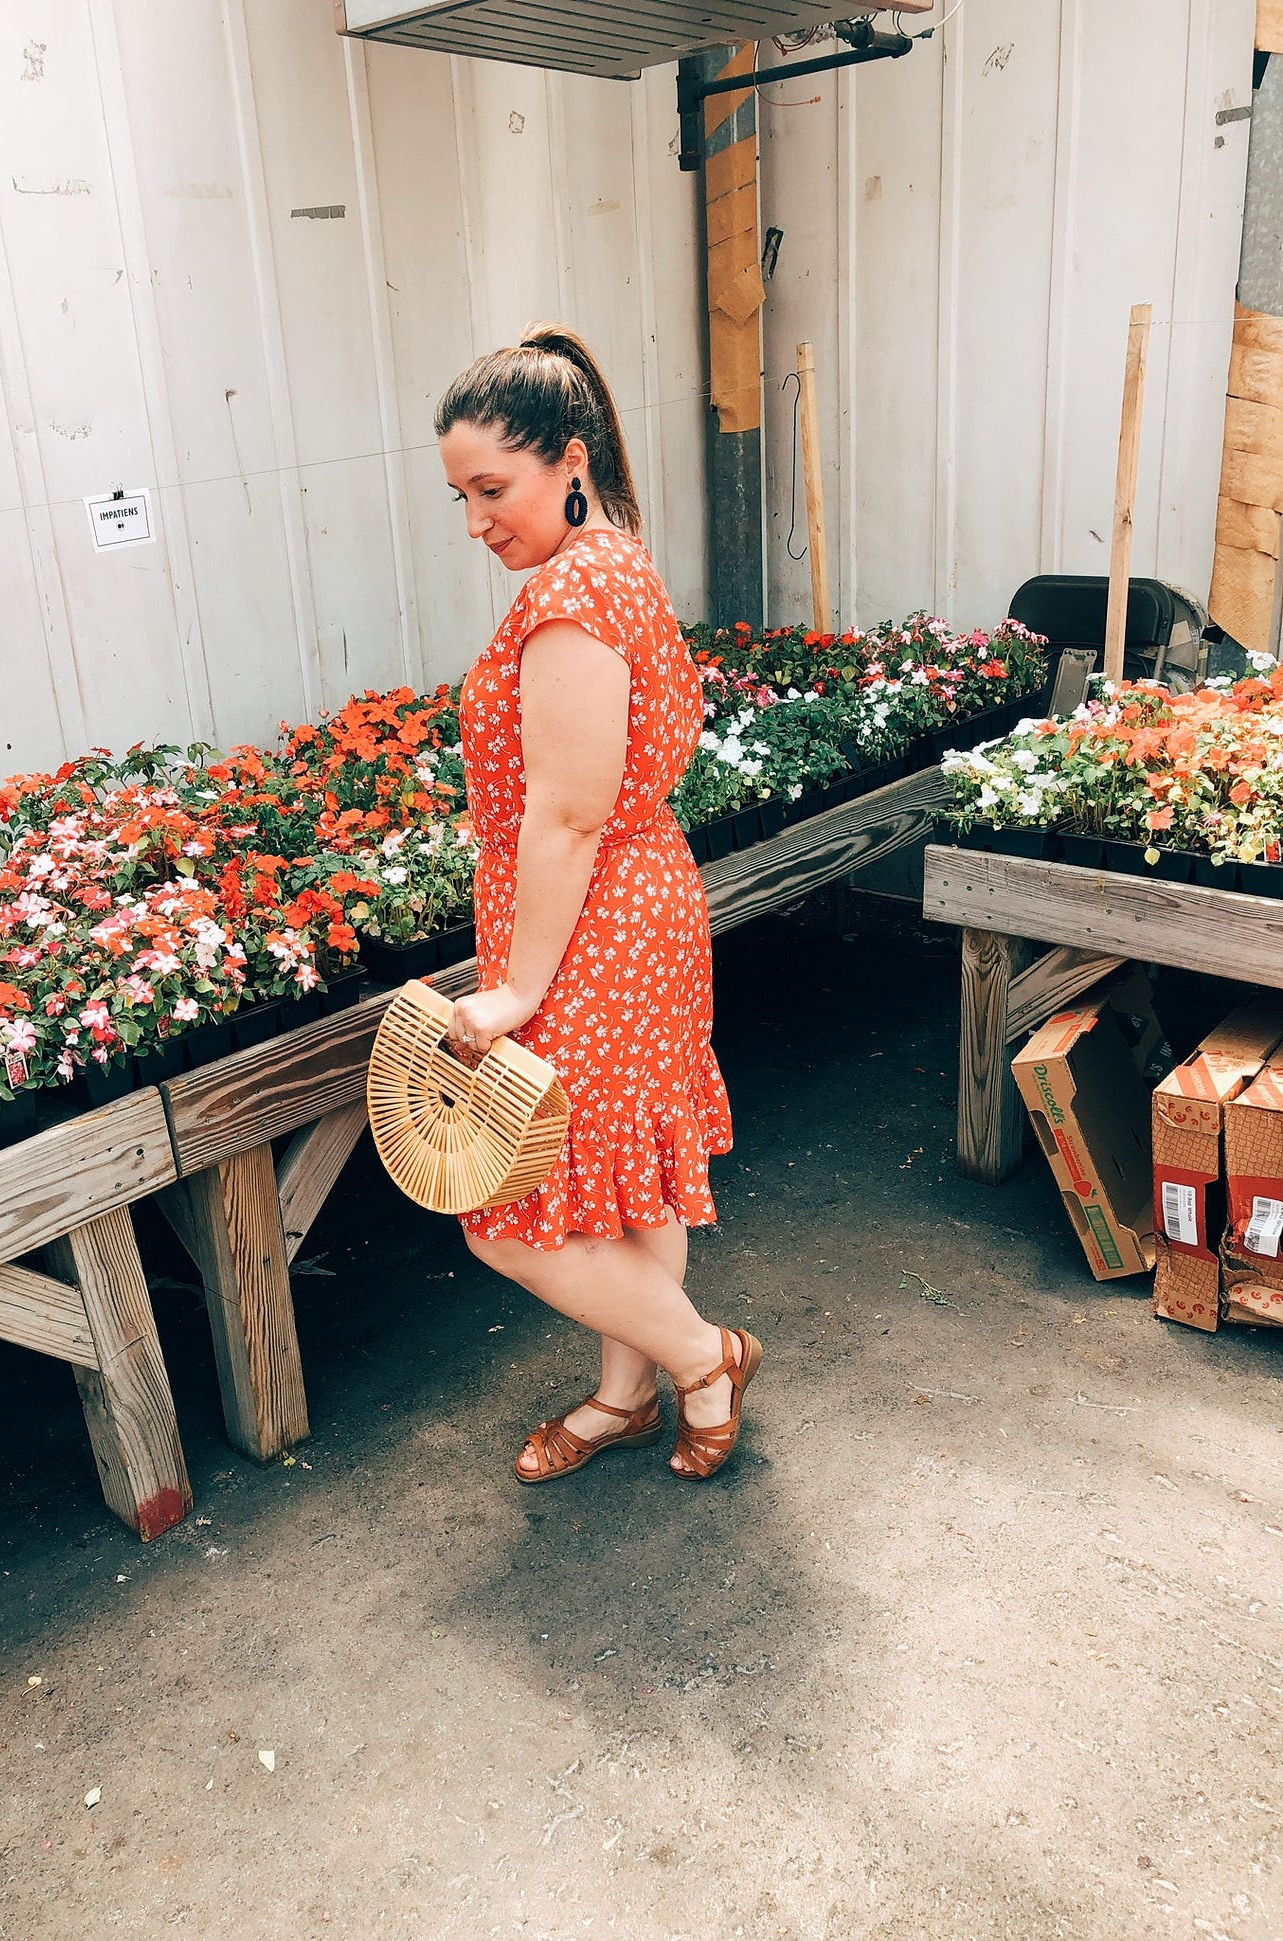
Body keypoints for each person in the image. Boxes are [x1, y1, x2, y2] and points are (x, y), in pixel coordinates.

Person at [435, 323, 761, 1483]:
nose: (477, 521)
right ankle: (625, 1395)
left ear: (568, 459)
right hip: (629, 907)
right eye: (460, 496)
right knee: (624, 1175)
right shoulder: (613, 558)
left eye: (493, 488)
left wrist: (517, 985)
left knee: (506, 1210)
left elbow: (566, 815)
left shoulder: (571, 599)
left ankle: (701, 1356)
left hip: (591, 927)